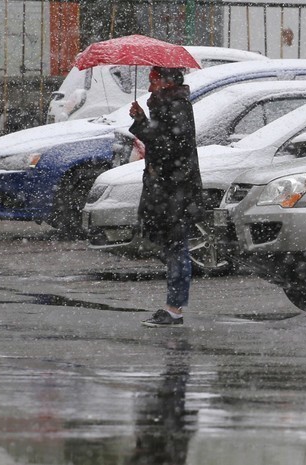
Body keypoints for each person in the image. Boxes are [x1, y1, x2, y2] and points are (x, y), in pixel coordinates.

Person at [130, 66, 204, 327]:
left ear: (164, 81)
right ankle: (173, 307)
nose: (149, 87)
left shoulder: (176, 106)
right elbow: (162, 141)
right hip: (170, 190)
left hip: (175, 191)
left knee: (176, 248)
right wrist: (142, 120)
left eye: (152, 81)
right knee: (173, 248)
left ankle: (174, 309)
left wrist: (142, 125)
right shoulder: (167, 104)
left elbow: (168, 147)